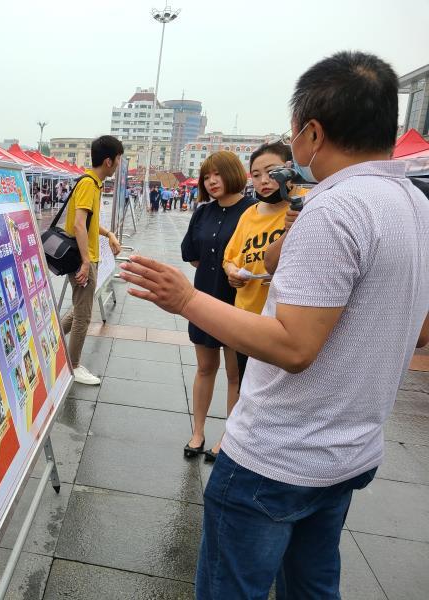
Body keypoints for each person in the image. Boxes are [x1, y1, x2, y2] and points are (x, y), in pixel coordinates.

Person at [120, 51, 429, 600]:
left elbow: (293, 346)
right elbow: (420, 331)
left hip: (279, 456)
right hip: (348, 451)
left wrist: (187, 299)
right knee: (312, 586)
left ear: (313, 133)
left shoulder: (335, 209)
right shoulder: (416, 206)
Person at [180, 151, 254, 462]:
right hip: (204, 297)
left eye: (217, 174)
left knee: (235, 374)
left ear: (233, 173)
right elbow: (191, 254)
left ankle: (228, 438)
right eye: (207, 176)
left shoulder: (252, 211)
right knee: (205, 367)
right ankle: (197, 432)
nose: (211, 181)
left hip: (238, 302)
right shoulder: (203, 212)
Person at [223, 141, 296, 384]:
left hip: (285, 323)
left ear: (290, 169)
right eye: (256, 175)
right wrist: (233, 272)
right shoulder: (250, 214)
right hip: (248, 319)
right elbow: (230, 257)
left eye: (272, 172)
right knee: (245, 386)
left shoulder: (306, 204)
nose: (264, 180)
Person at [61, 135, 122, 385]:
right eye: (118, 159)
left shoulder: (92, 183)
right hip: (82, 259)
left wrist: (108, 234)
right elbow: (78, 225)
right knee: (83, 317)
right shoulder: (89, 184)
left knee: (79, 310)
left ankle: (52, 341)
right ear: (108, 161)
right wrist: (86, 262)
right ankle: (73, 366)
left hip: (86, 257)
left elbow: (89, 223)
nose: (119, 164)